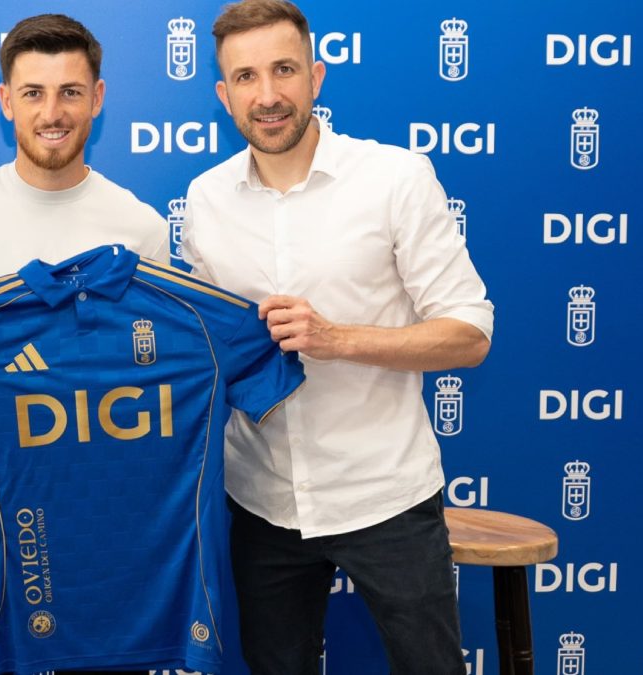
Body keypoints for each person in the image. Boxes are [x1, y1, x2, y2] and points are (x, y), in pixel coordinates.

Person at [183, 2, 494, 674]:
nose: (267, 95)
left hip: (386, 495)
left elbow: (469, 335)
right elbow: (206, 348)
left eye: (284, 70)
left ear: (316, 76)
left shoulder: (395, 178)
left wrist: (337, 338)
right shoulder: (205, 200)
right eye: (246, 77)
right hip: (261, 501)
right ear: (224, 95)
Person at [0, 14, 169, 675]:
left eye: (70, 92)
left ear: (98, 98)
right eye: (33, 93)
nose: (52, 113)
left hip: (102, 515)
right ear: (6, 101)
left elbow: (158, 371)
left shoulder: (139, 228)